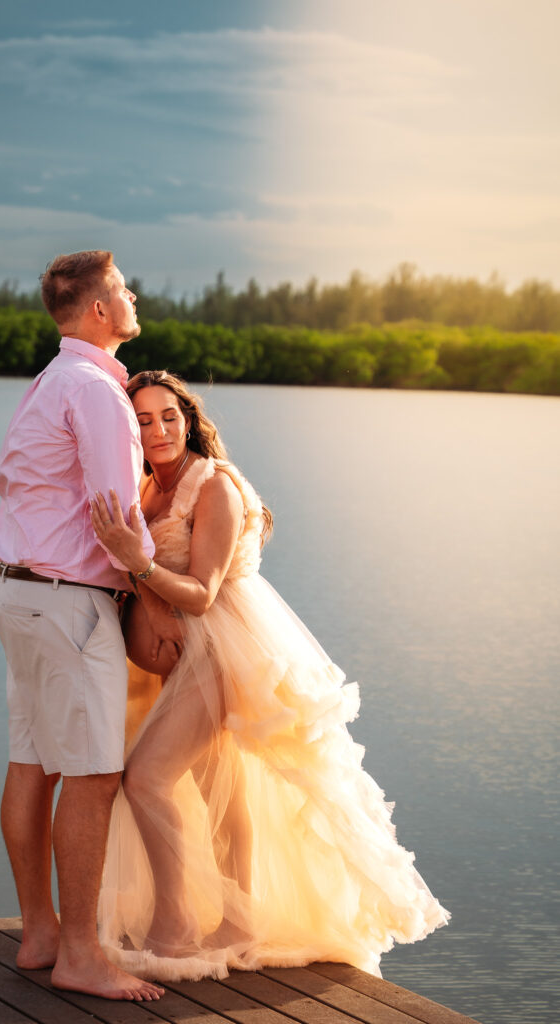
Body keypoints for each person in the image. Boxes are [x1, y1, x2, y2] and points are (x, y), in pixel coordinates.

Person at [91, 369, 449, 982]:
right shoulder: (148, 486)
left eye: (168, 415)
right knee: (217, 787)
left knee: (146, 777)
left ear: (189, 418)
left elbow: (202, 595)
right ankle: (238, 922)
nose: (157, 428)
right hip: (183, 661)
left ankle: (176, 926)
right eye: (143, 419)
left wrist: (138, 562)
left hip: (227, 650)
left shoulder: (214, 486)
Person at [0, 250, 167, 1000]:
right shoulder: (95, 391)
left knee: (33, 761)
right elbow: (116, 514)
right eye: (123, 290)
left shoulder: (46, 382)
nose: (132, 298)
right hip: (68, 603)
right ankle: (82, 953)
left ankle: (40, 932)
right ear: (98, 311)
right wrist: (155, 578)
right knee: (93, 776)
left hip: (17, 594)